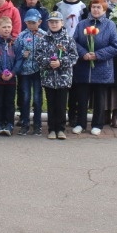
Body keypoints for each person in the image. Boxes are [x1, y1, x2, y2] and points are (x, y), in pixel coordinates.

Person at [73, 0, 117, 134]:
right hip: (84, 66)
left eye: (99, 7)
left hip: (101, 67)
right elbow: (74, 42)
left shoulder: (110, 25)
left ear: (104, 10)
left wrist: (97, 55)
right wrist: (84, 53)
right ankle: (80, 123)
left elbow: (115, 46)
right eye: (93, 7)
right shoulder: (82, 24)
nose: (95, 10)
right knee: (82, 97)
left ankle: (97, 125)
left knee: (100, 98)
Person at [37, 10, 77, 139]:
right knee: (51, 104)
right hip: (48, 78)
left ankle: (61, 129)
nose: (54, 24)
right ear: (48, 24)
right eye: (51, 22)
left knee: (61, 105)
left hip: (63, 78)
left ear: (62, 23)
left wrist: (61, 62)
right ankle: (51, 129)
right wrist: (49, 63)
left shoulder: (68, 39)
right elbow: (38, 56)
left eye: (56, 22)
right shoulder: (43, 39)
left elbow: (74, 57)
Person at [15, 9, 47, 135]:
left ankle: (37, 124)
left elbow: (48, 50)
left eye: (34, 22)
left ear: (39, 22)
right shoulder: (21, 36)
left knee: (37, 98)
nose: (31, 25)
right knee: (25, 97)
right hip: (24, 72)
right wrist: (23, 54)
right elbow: (15, 52)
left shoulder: (44, 35)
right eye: (28, 22)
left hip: (38, 71)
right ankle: (25, 123)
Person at [0, 16, 20, 136]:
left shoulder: (15, 43)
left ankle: (9, 123)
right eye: (4, 27)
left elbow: (19, 60)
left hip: (11, 79)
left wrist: (13, 73)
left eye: (9, 27)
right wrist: (0, 73)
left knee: (9, 102)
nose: (7, 29)